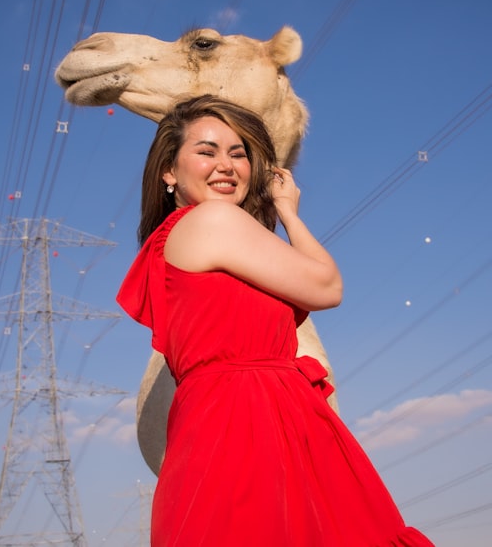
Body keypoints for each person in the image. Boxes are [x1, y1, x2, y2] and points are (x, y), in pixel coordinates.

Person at [117, 95, 434, 546]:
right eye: (206, 151)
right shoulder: (213, 220)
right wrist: (287, 211)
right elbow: (327, 287)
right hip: (249, 423)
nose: (225, 165)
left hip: (229, 422)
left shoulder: (183, 235)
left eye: (238, 153)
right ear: (170, 171)